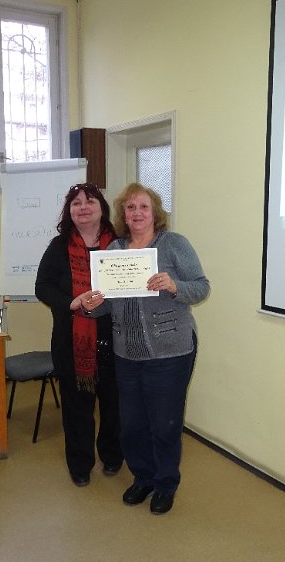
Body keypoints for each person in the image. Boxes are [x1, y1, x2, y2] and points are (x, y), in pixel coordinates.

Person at [79, 183, 210, 514]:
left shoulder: (174, 244)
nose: (136, 213)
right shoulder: (113, 251)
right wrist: (91, 306)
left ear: (155, 213)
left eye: (143, 207)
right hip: (127, 353)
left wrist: (174, 285)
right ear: (123, 214)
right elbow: (106, 304)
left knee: (164, 424)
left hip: (170, 351)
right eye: (130, 207)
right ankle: (143, 478)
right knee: (132, 424)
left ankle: (165, 483)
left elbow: (201, 287)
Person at [35, 183, 123, 487]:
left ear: (102, 207)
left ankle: (112, 455)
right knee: (76, 406)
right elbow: (42, 286)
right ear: (69, 211)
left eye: (90, 201)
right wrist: (70, 302)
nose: (83, 207)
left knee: (114, 404)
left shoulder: (120, 244)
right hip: (72, 341)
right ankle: (80, 464)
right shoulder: (58, 246)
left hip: (116, 338)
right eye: (76, 203)